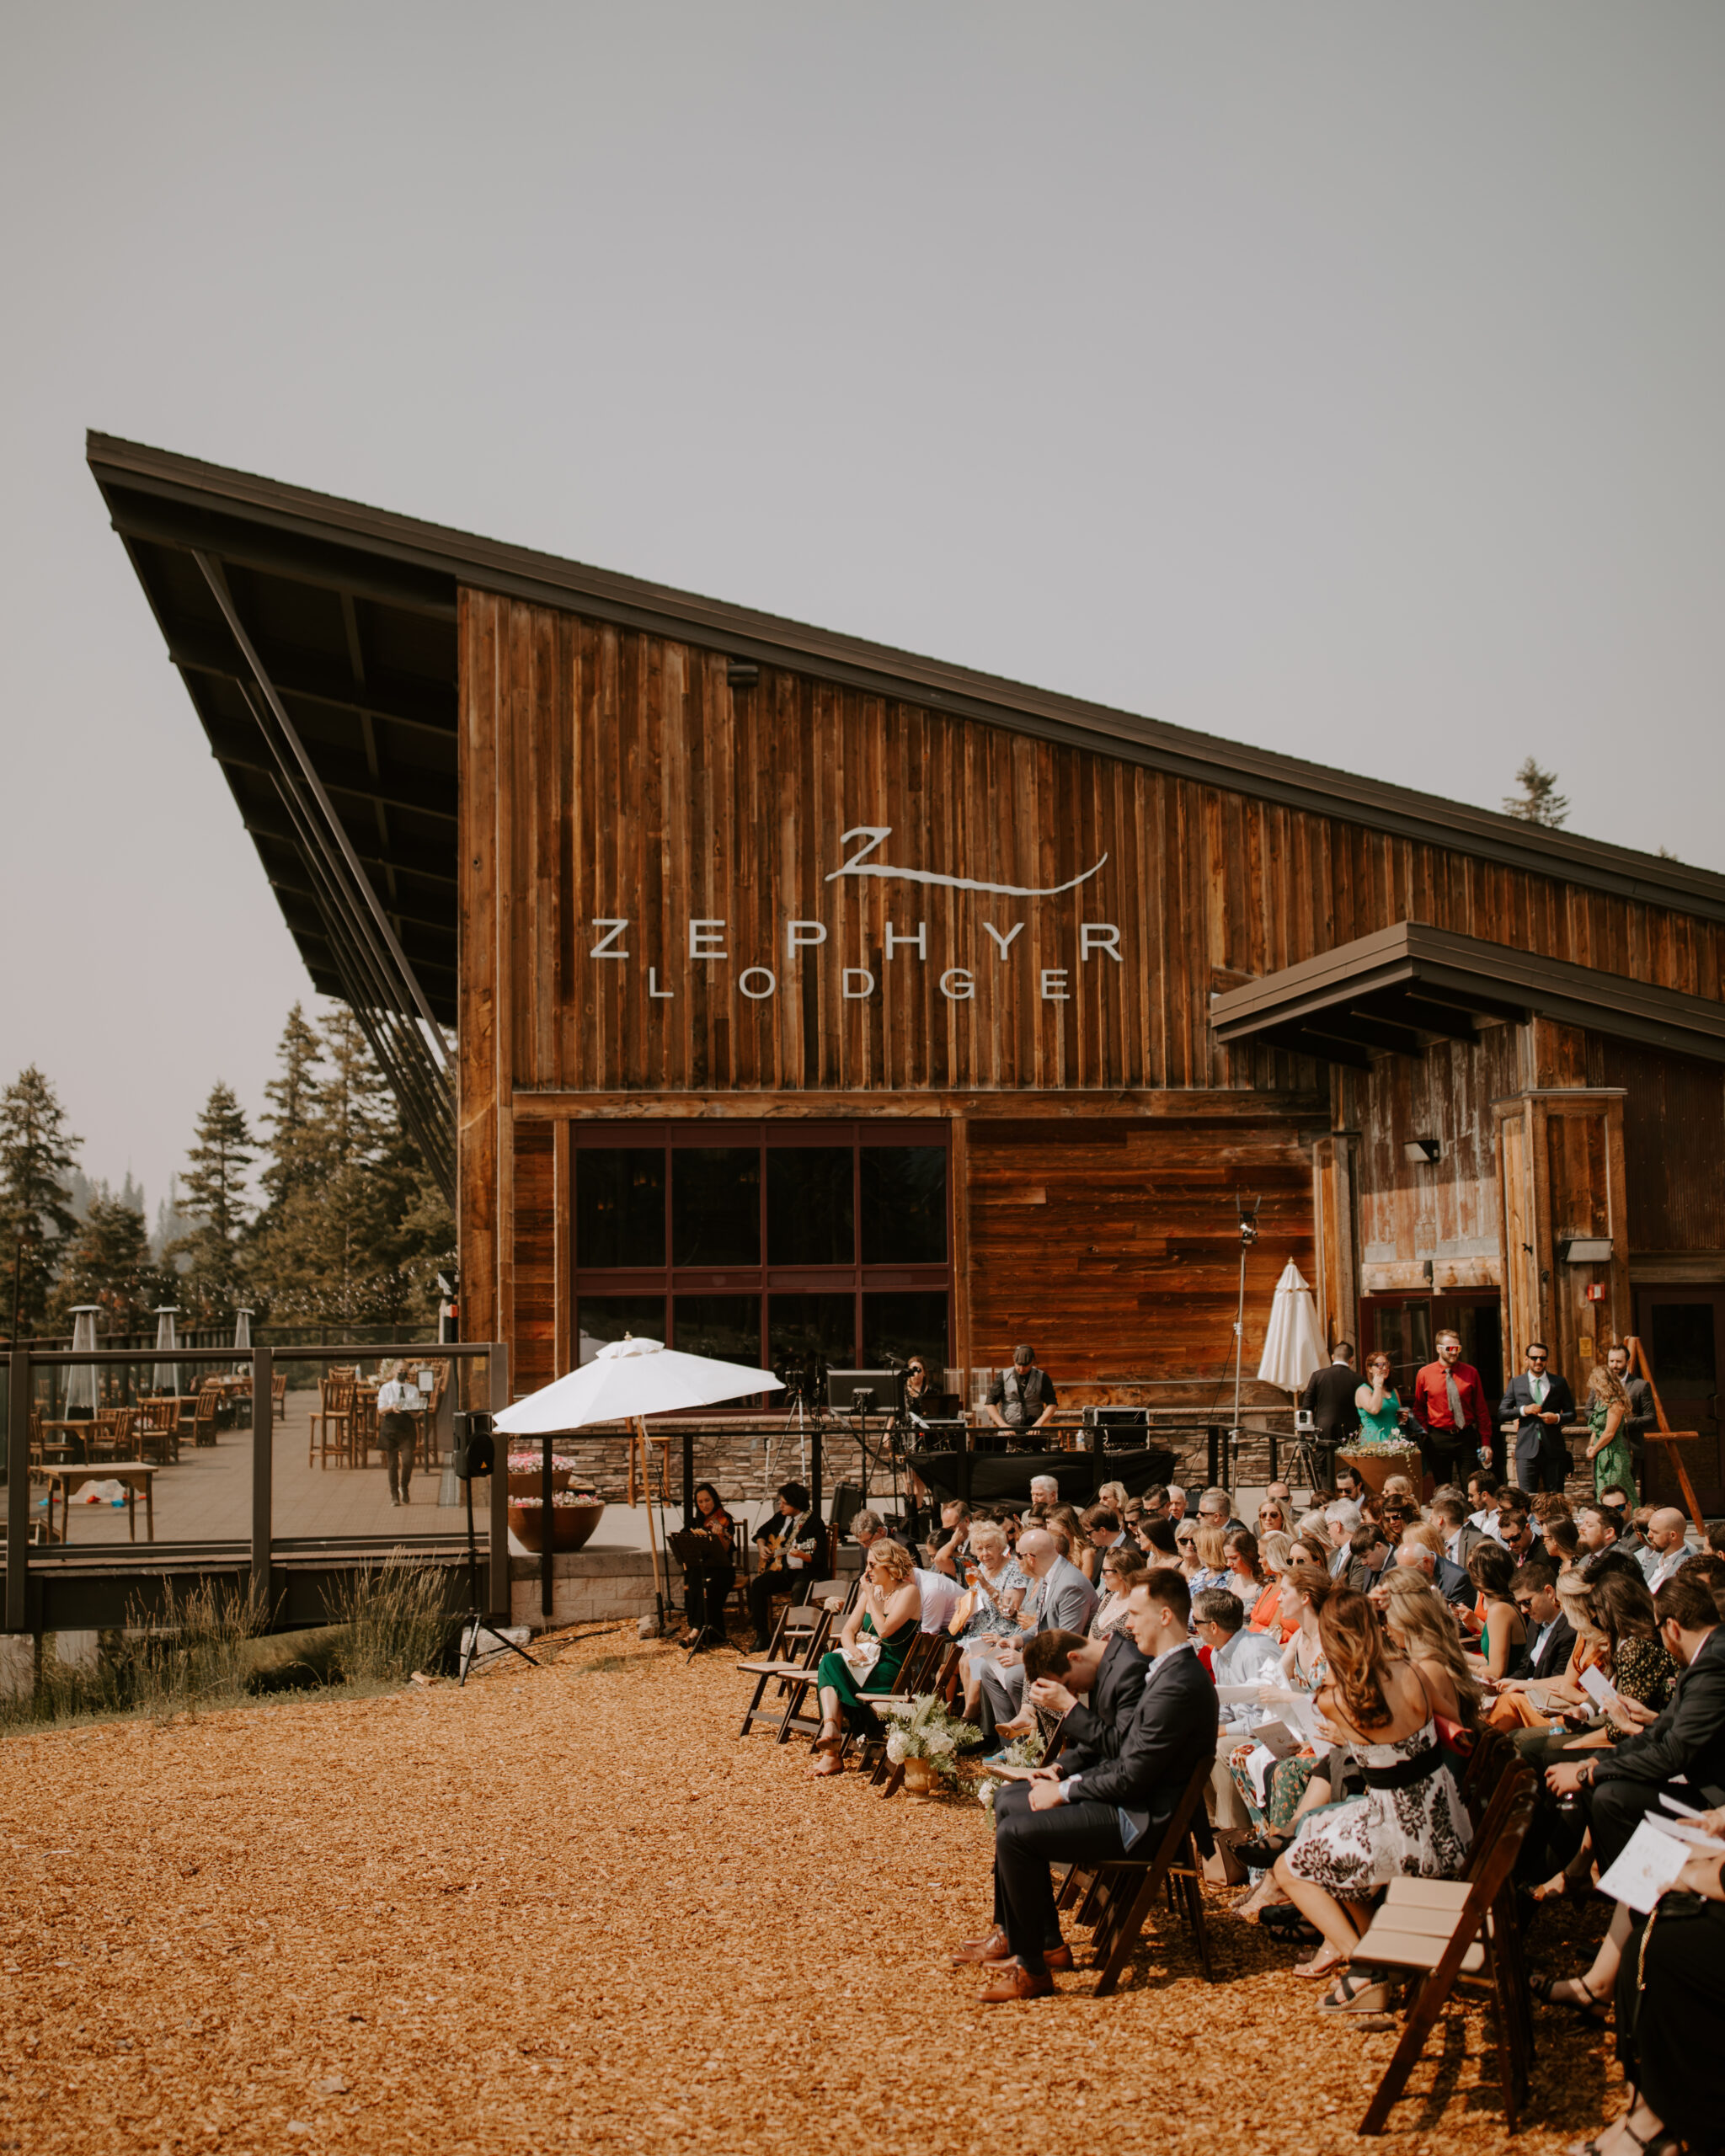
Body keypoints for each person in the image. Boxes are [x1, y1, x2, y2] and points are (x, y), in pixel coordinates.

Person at [953, 1571, 1217, 2001]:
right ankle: (1040, 1944)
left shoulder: (1177, 1682)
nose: (1126, 1625)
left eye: (1133, 1614)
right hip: (1137, 1801)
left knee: (1017, 1833)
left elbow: (1132, 1770)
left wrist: (1066, 1790)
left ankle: (1032, 1968)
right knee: (1010, 1802)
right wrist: (1060, 1774)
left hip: (1145, 1820)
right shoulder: (1167, 1673)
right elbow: (1128, 1754)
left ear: (1165, 1615)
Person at [808, 1539, 921, 1775]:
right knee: (831, 1660)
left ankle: (831, 1752)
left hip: (890, 1671)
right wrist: (852, 1649)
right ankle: (831, 1729)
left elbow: (884, 1630)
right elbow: (848, 1631)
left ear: (889, 1566)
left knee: (830, 1667)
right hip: (864, 1663)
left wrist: (870, 1596)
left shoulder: (908, 1592)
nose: (866, 1571)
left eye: (872, 1565)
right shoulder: (872, 1592)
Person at [973, 1527, 1098, 1738]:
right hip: (1048, 1653)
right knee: (987, 1668)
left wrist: (1024, 1658)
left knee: (1014, 1676)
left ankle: (1033, 1745)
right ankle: (1012, 1747)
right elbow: (1041, 1625)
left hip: (1073, 1662)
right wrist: (1016, 1639)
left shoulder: (1070, 1585)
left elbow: (1066, 1642)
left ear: (1030, 1558)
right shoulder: (1048, 1576)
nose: (1014, 1560)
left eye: (1018, 1556)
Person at [1378, 1568, 1484, 1730]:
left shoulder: (1428, 1667)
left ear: (1404, 1616)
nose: (1384, 1628)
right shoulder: (1434, 1653)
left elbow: (1405, 1731)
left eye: (1384, 1618)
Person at [747, 1481, 822, 1651]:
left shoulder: (813, 1523)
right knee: (758, 1585)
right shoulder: (780, 1518)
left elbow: (819, 1557)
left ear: (796, 1504)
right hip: (782, 1570)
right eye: (780, 1502)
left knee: (799, 1589)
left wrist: (802, 1554)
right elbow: (760, 1533)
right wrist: (761, 1546)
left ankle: (802, 1636)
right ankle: (762, 1635)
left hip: (805, 1571)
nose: (780, 1506)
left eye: (784, 1503)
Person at [1413, 1329, 1492, 1481]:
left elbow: (1481, 1409)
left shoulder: (1471, 1373)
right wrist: (1425, 1435)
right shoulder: (1424, 1374)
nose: (1454, 1353)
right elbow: (1419, 1407)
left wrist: (1486, 1442)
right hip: (1438, 1437)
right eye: (1450, 1349)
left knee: (1471, 1484)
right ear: (1438, 1349)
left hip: (1465, 1435)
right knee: (1443, 1487)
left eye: (1458, 1348)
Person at [1498, 1340, 1575, 1497]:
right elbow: (1502, 1413)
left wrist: (1557, 1418)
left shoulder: (1559, 1383)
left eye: (1542, 1358)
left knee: (1555, 1497)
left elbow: (1572, 1414)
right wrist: (1523, 1410)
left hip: (1553, 1448)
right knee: (1526, 1497)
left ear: (1547, 1360)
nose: (1538, 1361)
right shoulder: (1516, 1383)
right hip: (1527, 1449)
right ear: (1526, 1359)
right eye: (1534, 1358)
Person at [676, 1481, 735, 1648]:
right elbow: (683, 1542)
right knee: (696, 1582)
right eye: (700, 1502)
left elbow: (726, 1549)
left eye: (707, 1500)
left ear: (714, 1500)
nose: (704, 1505)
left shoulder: (725, 1520)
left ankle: (696, 1632)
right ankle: (699, 1631)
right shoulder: (695, 1522)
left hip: (723, 1570)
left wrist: (720, 1536)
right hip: (702, 1568)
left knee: (708, 1587)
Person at [1194, 1586, 1283, 1687]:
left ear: (1213, 1627)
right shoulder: (1216, 1654)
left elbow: (1269, 1700)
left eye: (1196, 1621)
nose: (1194, 1625)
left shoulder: (1256, 1653)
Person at [1302, 1341, 1360, 1486]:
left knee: (1322, 1467)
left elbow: (1307, 1406)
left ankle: (1324, 1495)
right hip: (1350, 1430)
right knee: (1348, 1465)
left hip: (1323, 1428)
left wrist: (1305, 1431)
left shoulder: (1318, 1376)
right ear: (1351, 1359)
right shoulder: (1358, 1379)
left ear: (1333, 1357)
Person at [1468, 1540, 1526, 1684]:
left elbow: (1496, 1672)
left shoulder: (1500, 1610)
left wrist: (1457, 1667)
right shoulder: (1505, 1606)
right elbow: (1490, 1661)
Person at [1585, 1364, 1638, 1508]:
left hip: (1614, 1454)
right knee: (1603, 1492)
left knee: (1618, 1492)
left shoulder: (1616, 1403)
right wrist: (1591, 1446)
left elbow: (1609, 1432)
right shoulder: (1600, 1402)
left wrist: (1595, 1449)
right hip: (1601, 1452)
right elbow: (1596, 1428)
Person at [1605, 1339, 1656, 1488]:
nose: (1614, 1365)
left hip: (1629, 1446)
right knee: (1602, 1492)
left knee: (1626, 1492)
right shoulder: (1600, 1384)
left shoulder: (1641, 1386)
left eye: (1618, 1361)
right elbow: (1589, 1411)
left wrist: (1625, 1422)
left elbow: (1651, 1417)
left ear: (1627, 1362)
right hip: (1604, 1447)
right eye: (1611, 1361)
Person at [374, 1360, 424, 1507]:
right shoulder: (386, 1388)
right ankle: (394, 1495)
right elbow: (381, 1410)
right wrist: (393, 1407)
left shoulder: (412, 1389)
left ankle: (404, 1486)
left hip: (407, 1428)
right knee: (392, 1464)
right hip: (391, 1428)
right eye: (401, 1370)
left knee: (408, 1461)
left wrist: (411, 1411)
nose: (403, 1373)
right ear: (394, 1371)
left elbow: (417, 1413)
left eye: (406, 1370)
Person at [985, 1345, 1057, 1448]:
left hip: (1034, 1431)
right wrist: (1002, 1425)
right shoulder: (1003, 1376)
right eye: (1018, 1365)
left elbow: (1052, 1404)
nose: (1022, 1369)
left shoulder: (1042, 1377)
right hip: (1008, 1431)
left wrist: (1039, 1424)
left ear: (1032, 1361)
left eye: (1026, 1366)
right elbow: (990, 1404)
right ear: (1013, 1359)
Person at [1353, 1350, 1408, 1452]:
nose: (1385, 1368)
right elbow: (1374, 1409)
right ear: (1370, 1369)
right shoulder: (1363, 1390)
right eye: (1379, 1365)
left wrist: (1402, 1418)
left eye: (1386, 1364)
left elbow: (1396, 1417)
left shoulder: (1393, 1391)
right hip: (1374, 1443)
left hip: (1395, 1442)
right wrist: (1378, 1385)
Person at [1089, 1545, 1148, 1638]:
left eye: (1105, 1571)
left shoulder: (1139, 1604)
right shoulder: (1108, 1598)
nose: (1102, 1576)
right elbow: (1091, 1638)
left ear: (1120, 1573)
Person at [1645, 1507, 1696, 1593]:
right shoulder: (1655, 1557)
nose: (1649, 1535)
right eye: (1649, 1529)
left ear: (1673, 1536)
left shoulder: (1688, 1568)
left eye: (1655, 1532)